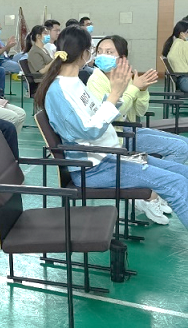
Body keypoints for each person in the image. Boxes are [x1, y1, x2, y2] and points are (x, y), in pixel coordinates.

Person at [34, 26, 188, 229]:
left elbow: (98, 112)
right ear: (85, 53)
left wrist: (118, 92)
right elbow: (89, 130)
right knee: (176, 183)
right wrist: (115, 94)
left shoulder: (74, 82)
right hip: (93, 168)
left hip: (110, 156)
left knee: (183, 173)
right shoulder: (59, 91)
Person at [88, 35, 186, 223]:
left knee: (184, 144)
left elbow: (140, 110)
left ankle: (153, 193)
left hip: (130, 129)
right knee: (180, 148)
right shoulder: (96, 80)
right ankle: (152, 194)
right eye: (99, 52)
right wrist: (134, 88)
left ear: (122, 58)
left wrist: (141, 90)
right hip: (117, 135)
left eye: (109, 52)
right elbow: (112, 115)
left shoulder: (124, 76)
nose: (102, 56)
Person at [162, 19, 188, 92]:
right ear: (182, 34)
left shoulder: (174, 44)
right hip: (185, 81)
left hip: (181, 81)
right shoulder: (184, 44)